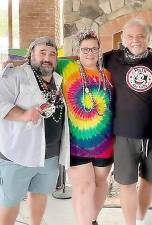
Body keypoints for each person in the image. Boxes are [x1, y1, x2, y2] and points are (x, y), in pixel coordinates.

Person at [103, 18, 152, 225]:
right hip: (123, 132)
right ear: (122, 38)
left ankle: (141, 218)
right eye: (130, 36)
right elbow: (82, 62)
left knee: (149, 181)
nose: (135, 40)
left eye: (140, 36)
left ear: (149, 38)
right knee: (126, 183)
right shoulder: (110, 59)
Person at [0, 37, 70, 225]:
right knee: (10, 201)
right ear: (31, 55)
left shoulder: (58, 79)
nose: (47, 58)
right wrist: (23, 115)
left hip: (50, 155)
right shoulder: (15, 75)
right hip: (18, 155)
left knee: (40, 194)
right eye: (42, 53)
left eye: (52, 54)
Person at [56, 29, 113, 225]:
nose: (90, 53)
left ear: (99, 51)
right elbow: (41, 61)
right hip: (77, 141)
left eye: (94, 49)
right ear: (78, 50)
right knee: (83, 187)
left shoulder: (107, 74)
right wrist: (12, 63)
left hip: (105, 141)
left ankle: (92, 220)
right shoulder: (67, 67)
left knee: (100, 184)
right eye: (85, 49)